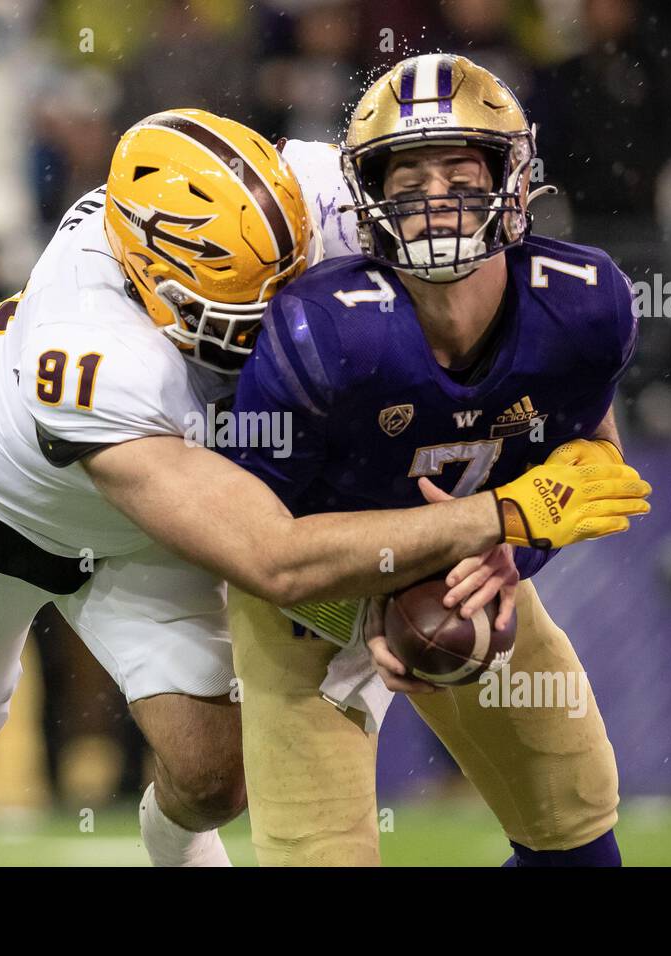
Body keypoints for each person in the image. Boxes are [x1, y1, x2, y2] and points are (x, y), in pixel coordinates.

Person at [0, 107, 649, 867]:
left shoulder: (318, 189)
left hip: (151, 534)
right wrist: (494, 515)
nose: (282, 325)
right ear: (155, 291)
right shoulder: (96, 356)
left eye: (293, 280)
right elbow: (275, 559)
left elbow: (450, 215)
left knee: (215, 778)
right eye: (244, 319)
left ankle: (172, 846)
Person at [226, 53, 645, 866]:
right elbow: (256, 544)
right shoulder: (324, 329)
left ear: (514, 179)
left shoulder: (583, 305)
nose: (437, 198)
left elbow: (593, 465)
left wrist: (510, 553)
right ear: (371, 197)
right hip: (309, 598)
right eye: (408, 176)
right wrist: (373, 587)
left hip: (465, 577)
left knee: (575, 820)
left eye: (460, 168)